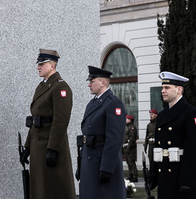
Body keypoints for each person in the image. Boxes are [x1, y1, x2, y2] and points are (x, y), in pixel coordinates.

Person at [22, 49, 76, 199]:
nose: (38, 67)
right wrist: (27, 147)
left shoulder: (61, 87)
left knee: (52, 189)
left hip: (50, 145)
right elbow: (35, 119)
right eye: (38, 64)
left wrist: (53, 149)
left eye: (42, 64)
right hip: (38, 145)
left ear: (53, 65)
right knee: (39, 189)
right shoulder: (41, 87)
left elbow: (60, 121)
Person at [148, 72, 196, 199]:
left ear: (179, 90)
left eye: (167, 88)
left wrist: (187, 181)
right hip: (164, 178)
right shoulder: (162, 115)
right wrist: (153, 177)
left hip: (181, 180)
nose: (163, 91)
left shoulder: (191, 113)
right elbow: (157, 148)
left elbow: (195, 149)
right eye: (162, 88)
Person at [77, 66, 125, 199]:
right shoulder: (92, 104)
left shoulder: (113, 103)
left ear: (103, 83)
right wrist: (81, 165)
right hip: (89, 161)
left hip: (101, 162)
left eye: (92, 81)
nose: (89, 85)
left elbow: (114, 138)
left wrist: (107, 167)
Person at [123, 114, 138, 183]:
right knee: (128, 162)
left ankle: (135, 176)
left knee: (131, 162)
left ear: (130, 120)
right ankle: (130, 175)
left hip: (130, 147)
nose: (125, 120)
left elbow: (131, 139)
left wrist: (128, 147)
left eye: (126, 119)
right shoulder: (127, 127)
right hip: (126, 147)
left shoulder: (132, 128)